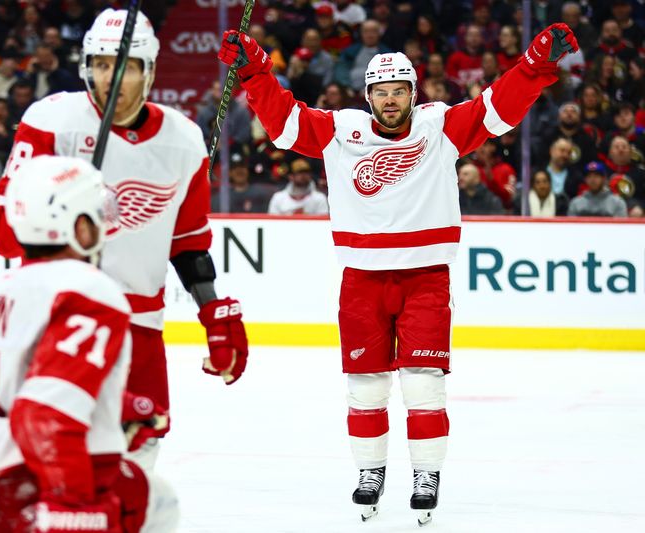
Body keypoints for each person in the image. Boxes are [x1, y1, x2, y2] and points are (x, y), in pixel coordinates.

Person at [218, 22, 577, 525]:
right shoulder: (342, 130)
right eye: (381, 92)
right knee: (365, 386)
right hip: (362, 279)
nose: (390, 100)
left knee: (424, 383)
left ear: (414, 92)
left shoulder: (440, 126)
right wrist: (256, 69)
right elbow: (284, 123)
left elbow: (498, 107)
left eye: (399, 90)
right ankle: (370, 472)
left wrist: (536, 63)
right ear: (368, 96)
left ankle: (426, 474)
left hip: (426, 276)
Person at [0, 9, 248, 471]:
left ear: (148, 72)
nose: (111, 77)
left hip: (139, 330)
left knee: (135, 470)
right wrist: (54, 207)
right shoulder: (52, 121)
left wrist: (211, 310)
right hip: (57, 323)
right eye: (102, 64)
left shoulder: (184, 142)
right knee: (55, 466)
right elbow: (1, 230)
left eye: (125, 65)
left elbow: (187, 240)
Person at [0, 155, 178, 533]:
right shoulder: (88, 290)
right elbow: (44, 414)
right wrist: (73, 508)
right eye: (97, 215)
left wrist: (121, 406)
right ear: (79, 227)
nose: (105, 224)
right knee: (157, 503)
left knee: (147, 493)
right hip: (35, 486)